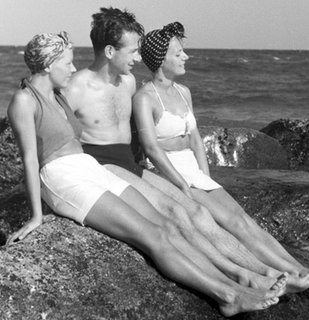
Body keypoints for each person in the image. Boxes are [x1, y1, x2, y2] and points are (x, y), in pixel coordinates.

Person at [7, 31, 286, 317]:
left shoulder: (57, 96)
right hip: (62, 178)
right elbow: (30, 159)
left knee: (167, 225)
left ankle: (237, 278)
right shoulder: (24, 101)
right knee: (152, 236)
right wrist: (37, 216)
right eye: (66, 63)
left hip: (88, 166)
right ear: (46, 64)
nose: (73, 68)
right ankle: (227, 295)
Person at [64, 7, 309, 292]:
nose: (137, 57)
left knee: (197, 214)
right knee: (176, 214)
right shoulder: (76, 87)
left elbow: (141, 133)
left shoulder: (129, 82)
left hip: (132, 165)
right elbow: (56, 138)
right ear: (110, 51)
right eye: (133, 51)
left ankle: (262, 270)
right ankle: (242, 276)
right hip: (103, 165)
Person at [134, 22, 309, 287]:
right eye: (179, 53)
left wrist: (205, 177)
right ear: (161, 59)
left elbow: (195, 138)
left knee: (243, 220)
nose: (186, 56)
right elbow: (151, 147)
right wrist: (182, 184)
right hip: (169, 172)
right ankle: (279, 275)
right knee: (228, 224)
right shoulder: (145, 98)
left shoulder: (184, 92)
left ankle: (298, 269)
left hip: (193, 171)